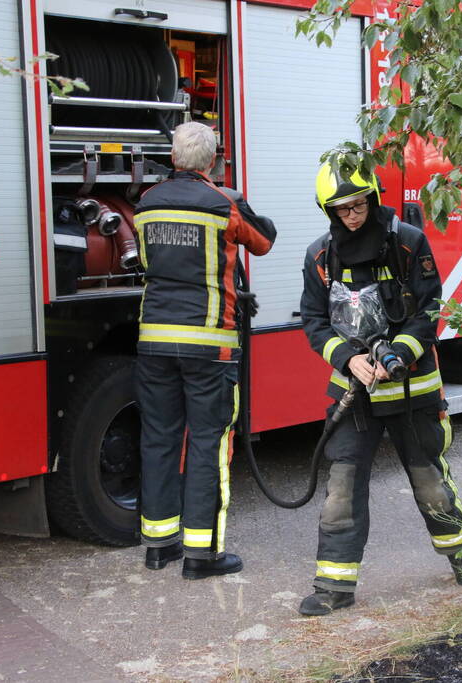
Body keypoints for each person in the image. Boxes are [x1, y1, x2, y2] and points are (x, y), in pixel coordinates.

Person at [297, 157, 462, 616]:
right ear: (329, 211)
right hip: (352, 396)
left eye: (359, 205)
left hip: (412, 392)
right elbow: (315, 321)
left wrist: (398, 351)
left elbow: (429, 310)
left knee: (430, 484)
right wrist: (348, 358)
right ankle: (333, 587)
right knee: (341, 488)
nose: (352, 216)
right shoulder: (320, 256)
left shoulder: (408, 244)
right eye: (342, 209)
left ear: (373, 199)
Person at [133, 121, 276, 579]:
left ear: (173, 159)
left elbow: (146, 262)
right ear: (213, 160)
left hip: (154, 340)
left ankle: (159, 546)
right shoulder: (224, 203)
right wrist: (234, 197)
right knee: (208, 445)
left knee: (158, 438)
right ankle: (201, 554)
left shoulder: (146, 203)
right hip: (209, 345)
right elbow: (265, 240)